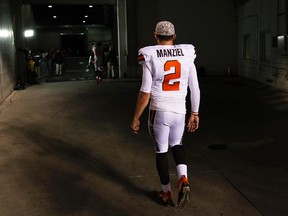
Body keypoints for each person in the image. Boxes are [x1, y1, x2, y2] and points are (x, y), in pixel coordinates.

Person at [130, 21, 200, 207]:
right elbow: (195, 87)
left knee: (161, 151)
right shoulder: (187, 53)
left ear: (155, 35)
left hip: (159, 110)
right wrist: (195, 112)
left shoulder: (150, 54)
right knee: (177, 144)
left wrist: (136, 117)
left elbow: (146, 92)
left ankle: (167, 192)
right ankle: (183, 179)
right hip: (180, 110)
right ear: (174, 36)